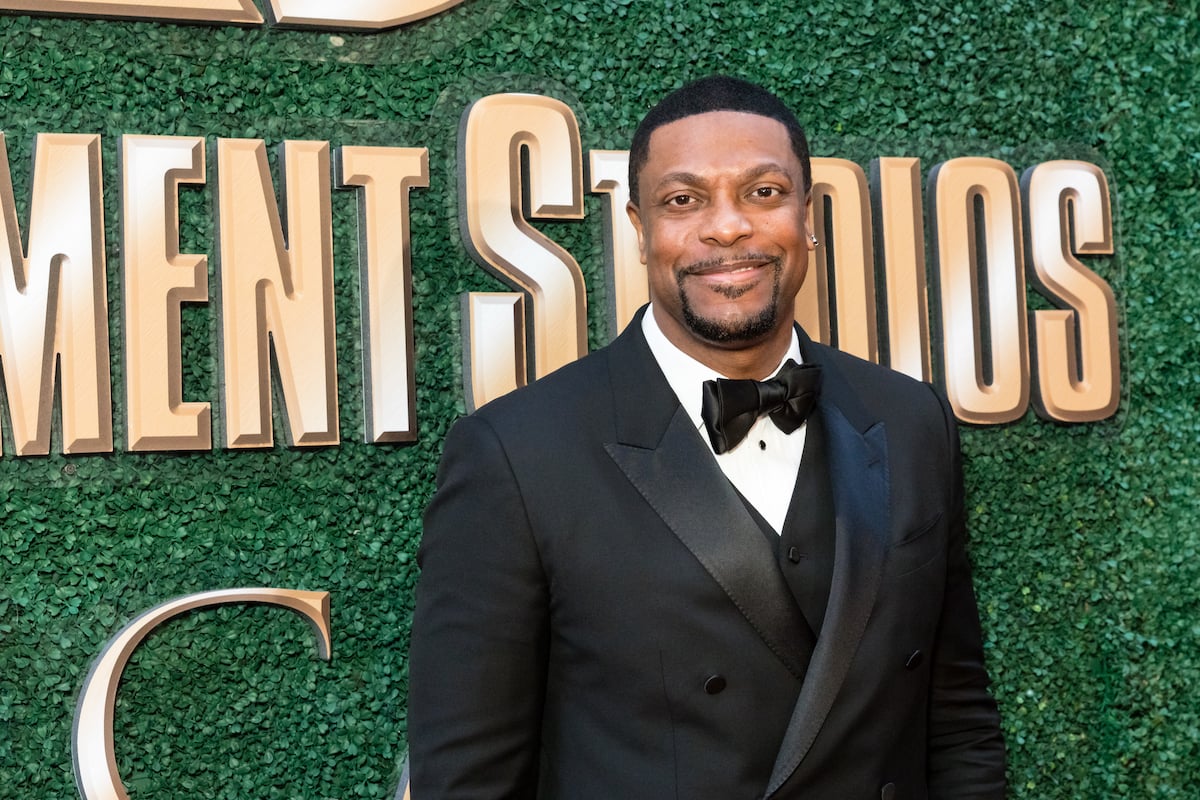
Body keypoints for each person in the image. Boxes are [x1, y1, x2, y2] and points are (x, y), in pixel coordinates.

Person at [407, 75, 1006, 799]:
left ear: (806, 215)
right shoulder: (516, 453)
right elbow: (467, 781)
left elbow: (958, 722)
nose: (727, 228)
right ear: (638, 229)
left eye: (763, 192)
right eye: (683, 200)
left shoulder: (913, 422)